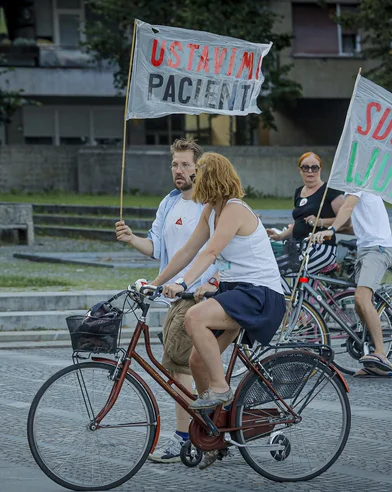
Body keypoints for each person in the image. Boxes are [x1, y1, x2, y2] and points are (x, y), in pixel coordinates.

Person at [149, 152, 286, 468]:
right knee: (197, 360)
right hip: (238, 290)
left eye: (198, 175)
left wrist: (183, 284)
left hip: (260, 293)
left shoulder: (235, 210)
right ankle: (214, 432)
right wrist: (154, 282)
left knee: (194, 317)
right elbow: (188, 249)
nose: (194, 180)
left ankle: (222, 388)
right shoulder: (211, 210)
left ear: (211, 179)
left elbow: (211, 251)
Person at [114, 138, 218, 463]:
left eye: (186, 164)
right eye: (175, 164)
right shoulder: (169, 202)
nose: (179, 170)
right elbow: (156, 248)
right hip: (174, 297)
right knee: (186, 368)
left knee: (178, 365)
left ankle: (187, 436)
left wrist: (201, 284)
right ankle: (209, 428)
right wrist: (132, 239)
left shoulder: (209, 206)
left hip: (198, 297)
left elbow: (214, 252)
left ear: (198, 168)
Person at [312, 191, 392, 377]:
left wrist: (331, 230)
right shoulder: (355, 187)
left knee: (362, 298)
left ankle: (381, 353)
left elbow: (347, 207)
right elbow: (350, 224)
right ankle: (373, 364)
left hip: (378, 248)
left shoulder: (359, 183)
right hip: (365, 249)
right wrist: (321, 228)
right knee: (359, 303)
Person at [266, 152, 350, 273]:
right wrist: (279, 236)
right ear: (300, 170)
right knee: (271, 264)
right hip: (298, 247)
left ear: (320, 169)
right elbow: (299, 222)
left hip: (321, 248)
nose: (310, 171)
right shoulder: (298, 191)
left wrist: (320, 221)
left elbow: (346, 221)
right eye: (305, 167)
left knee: (275, 268)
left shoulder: (330, 190)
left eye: (314, 167)